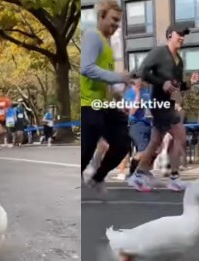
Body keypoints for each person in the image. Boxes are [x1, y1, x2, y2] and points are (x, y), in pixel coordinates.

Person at [127, 25, 199, 192]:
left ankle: (137, 175)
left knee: (155, 142)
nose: (182, 37)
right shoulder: (159, 52)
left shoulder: (179, 61)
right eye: (179, 34)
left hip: (168, 104)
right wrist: (162, 82)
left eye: (184, 35)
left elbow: (177, 86)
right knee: (180, 136)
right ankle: (174, 178)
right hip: (159, 104)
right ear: (169, 35)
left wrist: (190, 83)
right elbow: (142, 72)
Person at [80, 0, 131, 193]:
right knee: (86, 151)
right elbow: (86, 68)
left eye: (119, 22)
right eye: (114, 20)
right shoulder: (92, 35)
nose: (116, 25)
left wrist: (118, 91)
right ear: (101, 16)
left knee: (122, 143)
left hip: (105, 105)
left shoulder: (107, 44)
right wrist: (118, 76)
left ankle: (97, 178)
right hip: (89, 104)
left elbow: (104, 79)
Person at [124, 77, 152, 177]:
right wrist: (137, 96)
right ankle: (133, 173)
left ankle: (143, 170)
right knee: (143, 150)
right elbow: (132, 111)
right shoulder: (130, 93)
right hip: (137, 124)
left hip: (149, 123)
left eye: (142, 81)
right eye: (138, 82)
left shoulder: (146, 92)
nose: (141, 83)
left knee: (154, 149)